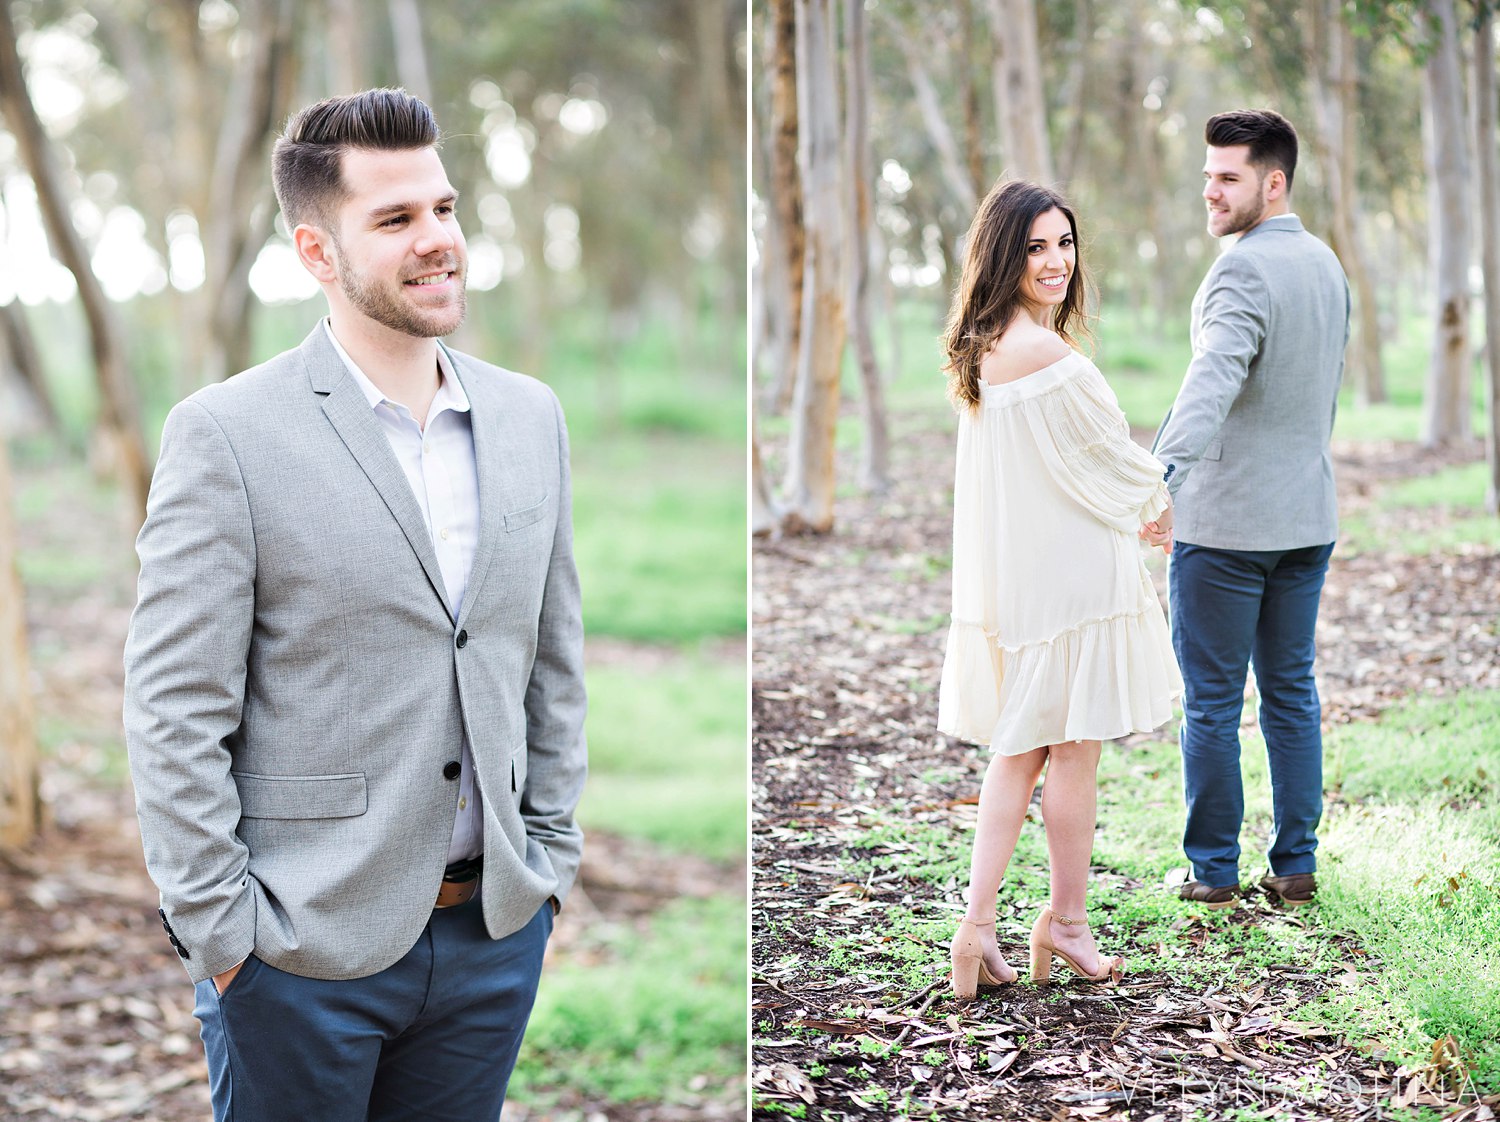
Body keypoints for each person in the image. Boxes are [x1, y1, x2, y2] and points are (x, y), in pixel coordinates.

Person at [123, 88, 587, 1121]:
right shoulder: (227, 434)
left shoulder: (529, 417)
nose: (437, 242)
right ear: (318, 253)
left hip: (493, 939)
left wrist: (547, 856)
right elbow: (174, 710)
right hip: (297, 951)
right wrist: (224, 935)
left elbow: (551, 657)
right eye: (395, 219)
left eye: (444, 209)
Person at [937, 180, 1183, 1001]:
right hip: (1073, 579)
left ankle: (978, 927)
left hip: (1026, 579)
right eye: (1037, 247)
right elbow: (1111, 459)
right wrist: (1157, 502)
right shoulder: (1049, 357)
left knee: (1020, 750)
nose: (1055, 262)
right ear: (1005, 256)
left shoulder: (985, 347)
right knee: (1073, 750)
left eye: (1065, 244)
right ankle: (1065, 923)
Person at [1152, 109, 1349, 911]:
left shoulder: (1241, 272)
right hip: (1306, 519)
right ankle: (1295, 865)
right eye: (1208, 174)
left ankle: (1212, 872)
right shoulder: (1328, 264)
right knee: (1291, 694)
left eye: (1228, 177)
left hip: (1226, 529)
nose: (1212, 190)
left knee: (1212, 704)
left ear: (1273, 182)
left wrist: (1156, 479)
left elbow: (1210, 385)